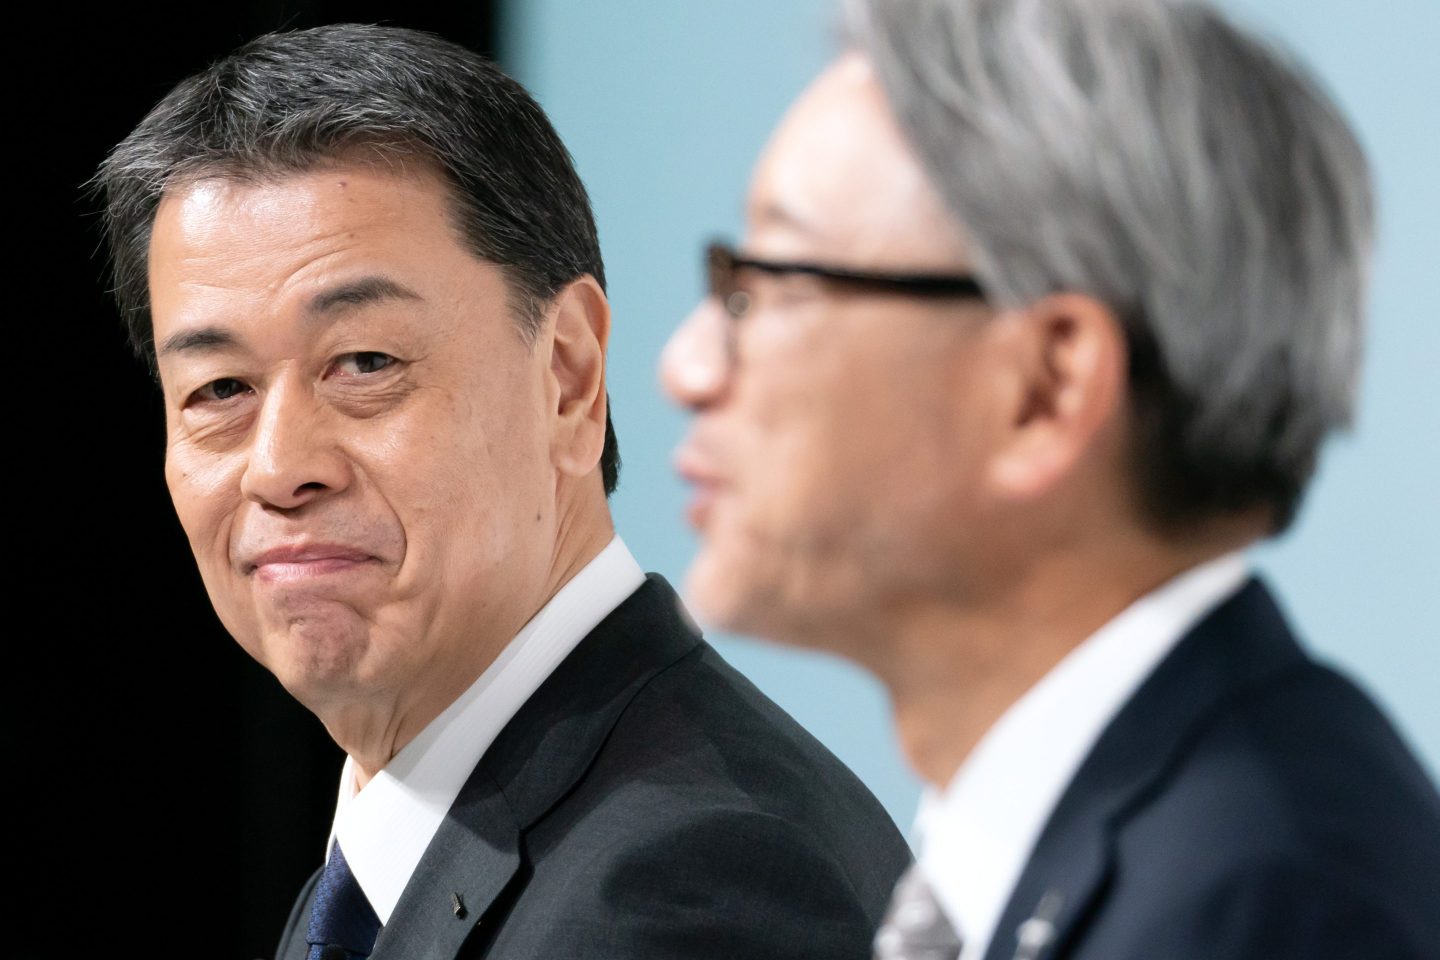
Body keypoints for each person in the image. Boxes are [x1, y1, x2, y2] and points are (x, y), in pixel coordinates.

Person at [94, 23, 911, 960]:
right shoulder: (377, 876)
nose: (278, 467)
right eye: (219, 390)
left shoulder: (690, 882)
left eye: (366, 363)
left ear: (567, 376)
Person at [661, 0, 1440, 957]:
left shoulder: (1262, 906)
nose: (686, 367)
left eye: (768, 287)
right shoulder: (1152, 848)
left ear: (1045, 387)